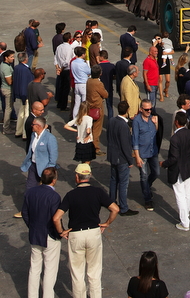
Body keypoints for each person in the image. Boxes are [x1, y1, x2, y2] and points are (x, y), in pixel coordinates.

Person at [52, 163, 119, 298]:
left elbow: (56, 218)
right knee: (94, 273)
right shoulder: (98, 192)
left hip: (76, 234)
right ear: (90, 176)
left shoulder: (71, 195)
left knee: (77, 274)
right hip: (93, 233)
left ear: (77, 177)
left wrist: (62, 231)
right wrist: (106, 223)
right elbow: (115, 209)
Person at [22, 166, 62, 298]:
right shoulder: (54, 196)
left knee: (34, 268)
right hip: (49, 236)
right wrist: (59, 234)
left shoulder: (30, 192)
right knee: (50, 270)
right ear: (54, 180)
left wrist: (32, 226)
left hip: (35, 234)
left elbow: (25, 213)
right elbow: (55, 219)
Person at [161, 110, 190, 231]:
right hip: (189, 167)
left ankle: (185, 222)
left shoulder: (175, 138)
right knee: (187, 194)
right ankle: (185, 216)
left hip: (178, 170)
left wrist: (163, 164)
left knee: (180, 196)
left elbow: (174, 158)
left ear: (176, 122)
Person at [108, 99, 138, 216]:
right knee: (123, 184)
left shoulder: (111, 121)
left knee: (113, 180)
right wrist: (130, 159)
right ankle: (123, 207)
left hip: (112, 156)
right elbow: (125, 145)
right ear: (127, 111)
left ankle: (111, 201)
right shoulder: (124, 126)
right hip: (122, 158)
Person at [132, 99, 160, 211]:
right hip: (142, 152)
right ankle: (147, 199)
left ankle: (146, 187)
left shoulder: (152, 118)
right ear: (141, 109)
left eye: (150, 109)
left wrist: (156, 123)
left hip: (153, 151)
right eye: (147, 109)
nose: (149, 111)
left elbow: (155, 132)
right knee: (143, 175)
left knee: (156, 172)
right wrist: (137, 156)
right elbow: (134, 139)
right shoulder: (137, 121)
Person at [21, 116, 58, 192]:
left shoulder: (50, 138)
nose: (31, 126)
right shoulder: (33, 135)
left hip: (45, 169)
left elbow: (53, 156)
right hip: (33, 166)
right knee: (29, 188)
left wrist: (48, 170)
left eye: (33, 124)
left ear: (38, 126)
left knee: (44, 191)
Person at [86, 64, 108, 155]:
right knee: (96, 129)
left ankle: (90, 145)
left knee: (90, 128)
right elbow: (105, 94)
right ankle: (95, 147)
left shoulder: (88, 81)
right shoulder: (98, 83)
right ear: (100, 74)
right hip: (97, 108)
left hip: (88, 107)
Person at [13, 50, 35, 134]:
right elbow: (25, 83)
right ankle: (25, 133)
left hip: (19, 93)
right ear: (25, 59)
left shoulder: (17, 67)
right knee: (26, 114)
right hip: (25, 94)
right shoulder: (25, 70)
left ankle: (18, 131)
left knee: (21, 113)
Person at [53, 31, 73, 111]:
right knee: (66, 88)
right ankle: (63, 105)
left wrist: (57, 67)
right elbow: (67, 61)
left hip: (60, 68)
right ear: (69, 39)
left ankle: (59, 103)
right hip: (65, 70)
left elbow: (55, 58)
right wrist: (61, 69)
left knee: (60, 86)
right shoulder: (69, 48)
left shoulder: (59, 47)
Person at [70, 47, 91, 119]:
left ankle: (75, 119)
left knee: (77, 104)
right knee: (84, 103)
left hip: (76, 84)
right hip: (83, 84)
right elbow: (89, 71)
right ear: (82, 54)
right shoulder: (83, 64)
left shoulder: (73, 62)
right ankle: (83, 118)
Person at [98, 50, 116, 119]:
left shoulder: (99, 66)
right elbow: (115, 75)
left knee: (99, 106)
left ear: (102, 57)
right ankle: (110, 120)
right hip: (109, 88)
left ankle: (99, 120)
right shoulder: (112, 66)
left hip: (100, 89)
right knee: (109, 106)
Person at [0, 49, 15, 133]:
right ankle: (6, 128)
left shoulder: (3, 65)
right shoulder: (6, 68)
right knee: (8, 109)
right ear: (6, 58)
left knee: (8, 108)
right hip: (7, 90)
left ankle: (7, 125)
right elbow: (9, 81)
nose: (13, 58)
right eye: (11, 57)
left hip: (4, 88)